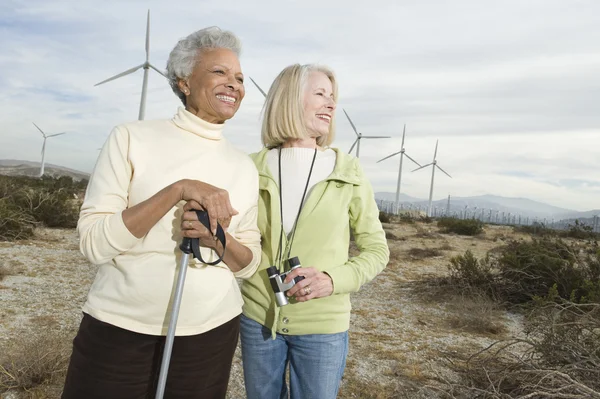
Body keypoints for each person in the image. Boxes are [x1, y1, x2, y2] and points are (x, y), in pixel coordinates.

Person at [61, 27, 261, 399]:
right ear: (183, 81)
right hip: (121, 331)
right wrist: (176, 190)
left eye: (239, 78)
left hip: (210, 334)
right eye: (219, 72)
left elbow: (248, 264)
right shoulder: (130, 138)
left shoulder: (244, 166)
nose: (233, 84)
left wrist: (215, 237)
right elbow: (93, 245)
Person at [239, 64, 390, 399]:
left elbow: (378, 250)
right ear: (290, 99)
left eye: (333, 97)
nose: (331, 104)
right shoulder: (249, 167)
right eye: (320, 94)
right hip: (258, 321)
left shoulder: (348, 170)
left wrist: (332, 279)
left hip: (324, 326)